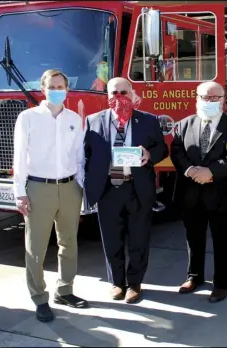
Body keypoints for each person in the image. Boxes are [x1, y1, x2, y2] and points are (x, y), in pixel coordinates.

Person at [83, 77, 168, 304]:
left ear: (131, 93)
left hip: (137, 188)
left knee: (139, 239)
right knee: (111, 240)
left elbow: (162, 148)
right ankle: (116, 282)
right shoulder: (93, 121)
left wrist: (150, 155)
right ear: (107, 95)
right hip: (108, 189)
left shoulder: (148, 121)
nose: (119, 97)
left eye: (123, 92)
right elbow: (85, 155)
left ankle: (135, 283)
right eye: (114, 93)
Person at [13, 69, 88, 323]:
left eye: (62, 87)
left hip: (69, 188)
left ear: (67, 89)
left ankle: (65, 290)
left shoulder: (74, 119)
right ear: (43, 89)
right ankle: (39, 298)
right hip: (38, 188)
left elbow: (79, 157)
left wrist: (81, 187)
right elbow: (20, 158)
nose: (58, 91)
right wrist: (19, 193)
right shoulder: (28, 118)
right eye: (53, 86)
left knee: (69, 243)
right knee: (36, 247)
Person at [170, 81, 227, 303]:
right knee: (193, 239)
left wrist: (211, 172)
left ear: (223, 100)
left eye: (215, 97)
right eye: (205, 97)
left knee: (223, 241)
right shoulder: (183, 125)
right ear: (197, 98)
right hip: (191, 193)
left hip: (223, 196)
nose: (210, 101)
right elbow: (177, 152)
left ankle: (222, 283)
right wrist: (189, 170)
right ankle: (194, 277)